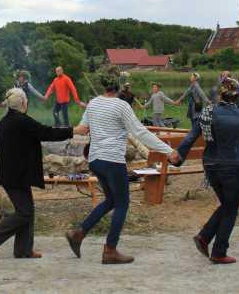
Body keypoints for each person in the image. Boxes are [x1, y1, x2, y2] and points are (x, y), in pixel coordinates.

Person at [65, 70, 173, 264]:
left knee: (111, 201)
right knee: (122, 203)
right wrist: (167, 150)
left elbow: (82, 128)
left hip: (96, 160)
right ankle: (110, 250)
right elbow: (140, 132)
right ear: (120, 85)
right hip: (112, 160)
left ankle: (78, 233)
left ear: (102, 84)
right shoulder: (122, 106)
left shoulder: (93, 103)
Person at [0, 88, 89, 259]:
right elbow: (47, 132)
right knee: (24, 212)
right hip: (16, 175)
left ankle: (23, 250)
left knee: (27, 210)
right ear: (24, 103)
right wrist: (74, 131)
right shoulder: (22, 121)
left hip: (13, 173)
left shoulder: (5, 122)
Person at [169, 77, 239, 264]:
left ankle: (205, 238)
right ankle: (218, 250)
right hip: (233, 165)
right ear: (237, 96)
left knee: (227, 205)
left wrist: (179, 155)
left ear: (220, 93)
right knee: (231, 208)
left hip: (211, 165)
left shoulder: (208, 113)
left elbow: (191, 136)